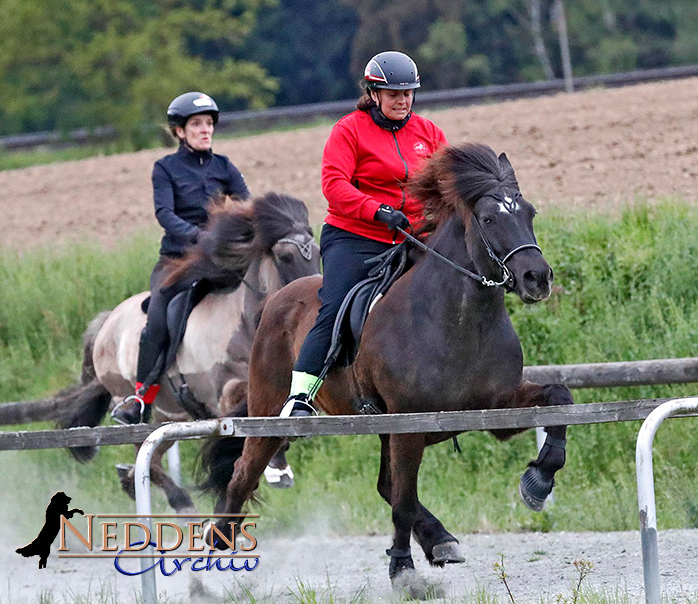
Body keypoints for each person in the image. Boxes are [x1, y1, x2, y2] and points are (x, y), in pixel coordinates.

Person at [279, 51, 448, 418]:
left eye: (408, 93)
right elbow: (334, 185)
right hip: (354, 236)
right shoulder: (348, 130)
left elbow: (445, 185)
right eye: (393, 94)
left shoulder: (429, 133)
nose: (403, 101)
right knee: (336, 305)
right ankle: (301, 395)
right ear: (373, 94)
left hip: (412, 237)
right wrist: (378, 210)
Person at [111, 91, 250, 425]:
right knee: (158, 320)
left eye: (208, 124)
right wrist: (199, 236)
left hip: (217, 261)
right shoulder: (165, 168)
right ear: (180, 132)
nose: (205, 130)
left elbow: (246, 204)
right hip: (177, 261)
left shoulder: (224, 166)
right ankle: (141, 400)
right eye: (197, 125)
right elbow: (165, 214)